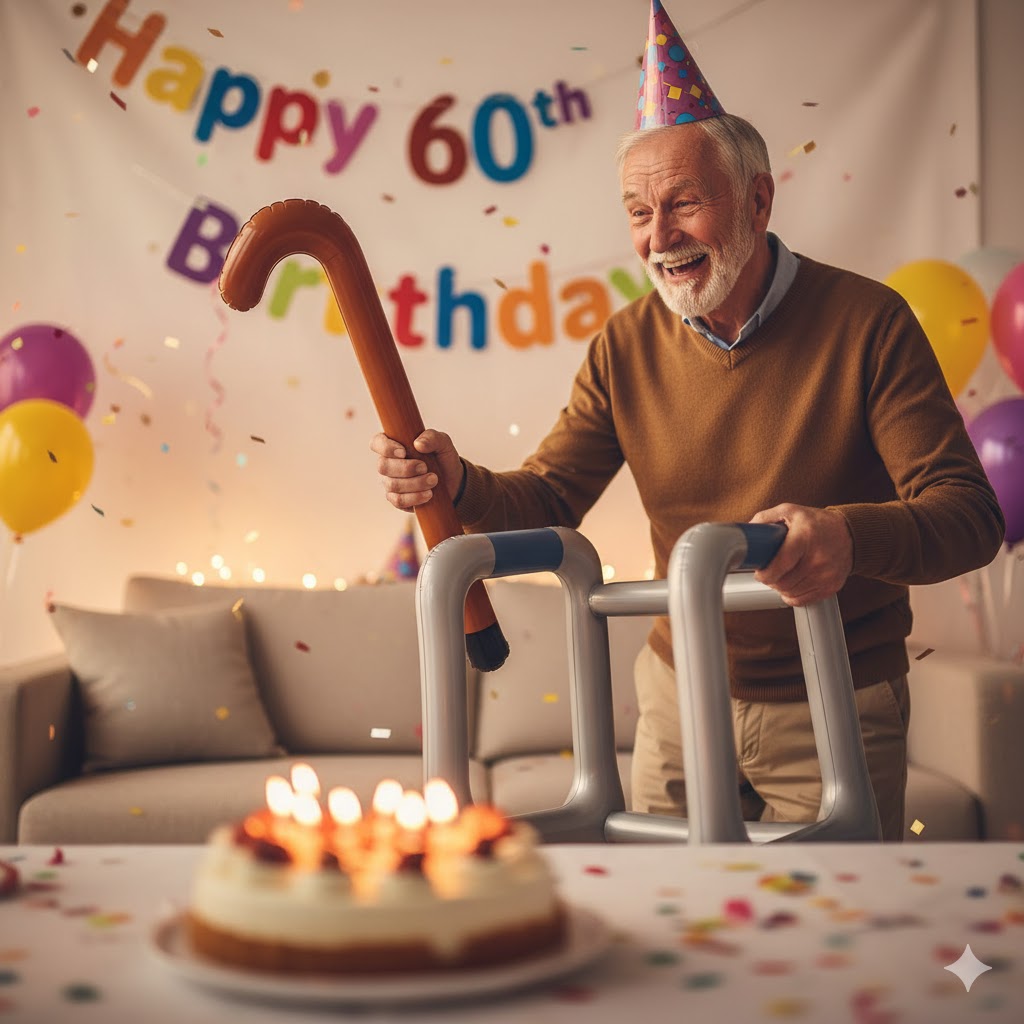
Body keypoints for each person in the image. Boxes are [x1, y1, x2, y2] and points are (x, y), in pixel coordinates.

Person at [369, 3, 1004, 841]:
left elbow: (970, 519)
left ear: (758, 200)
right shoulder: (624, 344)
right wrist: (460, 484)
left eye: (683, 204)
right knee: (672, 932)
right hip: (678, 694)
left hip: (832, 695)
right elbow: (554, 493)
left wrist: (846, 537)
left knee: (824, 946)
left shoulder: (868, 322)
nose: (659, 236)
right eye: (638, 211)